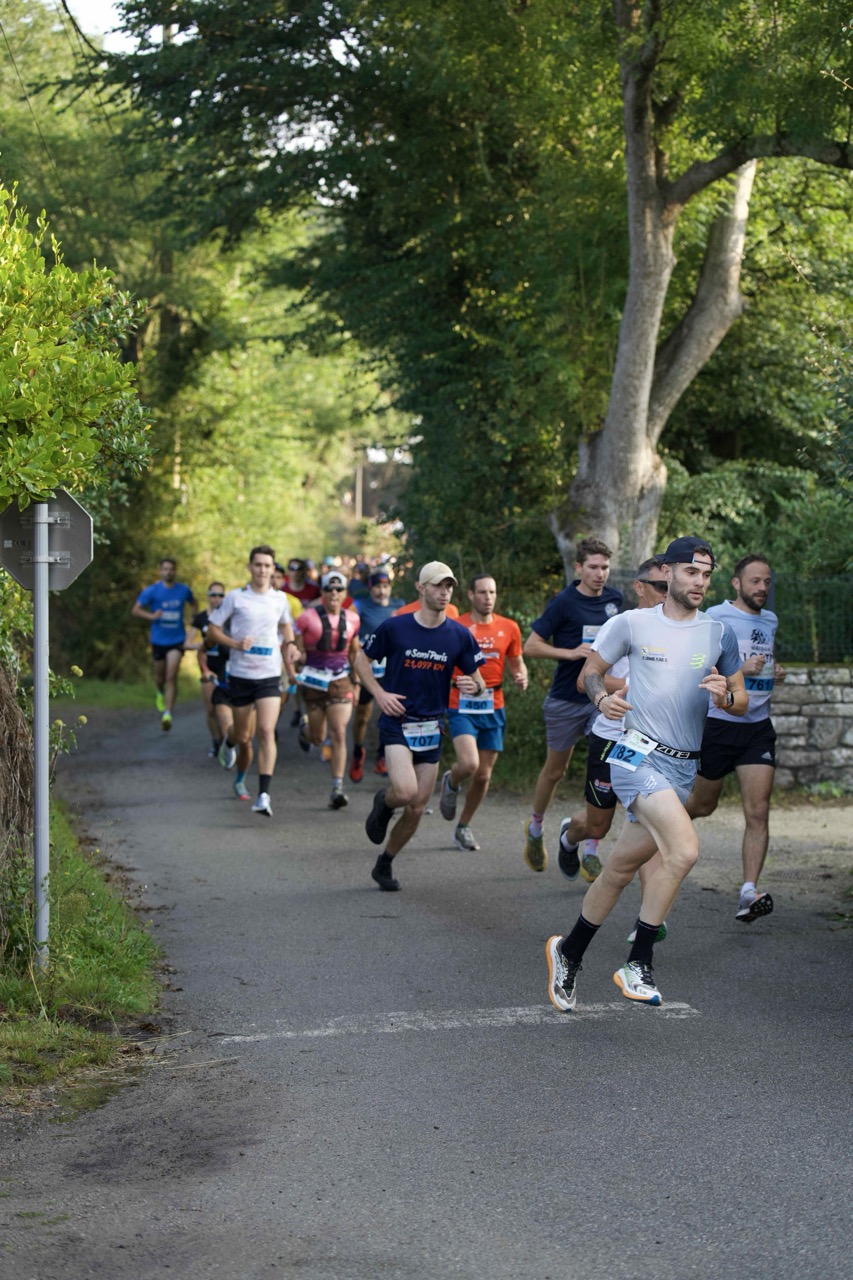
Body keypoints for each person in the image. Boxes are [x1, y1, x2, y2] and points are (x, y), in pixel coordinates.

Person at [544, 536, 747, 1012]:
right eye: (692, 571)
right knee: (685, 850)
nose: (700, 581)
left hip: (683, 767)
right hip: (635, 755)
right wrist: (602, 700)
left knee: (618, 869)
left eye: (706, 574)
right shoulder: (632, 623)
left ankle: (568, 952)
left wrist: (725, 696)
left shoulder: (719, 633)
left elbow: (741, 700)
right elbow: (589, 672)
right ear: (668, 572)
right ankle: (638, 962)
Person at [353, 561, 486, 892]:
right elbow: (360, 660)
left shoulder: (459, 634)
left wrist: (473, 686)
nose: (444, 592)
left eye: (449, 586)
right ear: (421, 588)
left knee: (415, 808)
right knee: (405, 792)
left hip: (431, 726)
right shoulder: (395, 627)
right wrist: (379, 694)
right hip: (398, 721)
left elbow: (479, 681)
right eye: (437, 585)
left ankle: (385, 862)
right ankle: (384, 803)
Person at [555, 557, 667, 883]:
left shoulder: (678, 632)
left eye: (671, 586)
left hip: (648, 741)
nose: (667, 592)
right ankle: (569, 836)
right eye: (660, 586)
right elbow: (584, 680)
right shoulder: (621, 625)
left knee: (651, 821)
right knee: (598, 826)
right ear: (639, 587)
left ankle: (650, 908)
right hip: (612, 737)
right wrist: (632, 686)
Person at [687, 555, 784, 923]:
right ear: (736, 583)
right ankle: (652, 829)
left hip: (757, 727)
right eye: (755, 581)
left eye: (767, 582)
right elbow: (699, 667)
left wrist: (775, 671)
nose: (762, 588)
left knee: (758, 811)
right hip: (720, 724)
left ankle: (748, 891)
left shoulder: (770, 620)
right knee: (702, 805)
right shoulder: (716, 617)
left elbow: (765, 661)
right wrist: (741, 669)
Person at [522, 538, 623, 872]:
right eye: (593, 567)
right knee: (556, 771)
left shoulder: (615, 601)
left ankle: (591, 847)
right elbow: (531, 646)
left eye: (605, 567)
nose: (600, 573)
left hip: (600, 699)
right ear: (578, 567)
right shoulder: (564, 602)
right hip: (566, 699)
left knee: (604, 768)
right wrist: (569, 653)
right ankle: (535, 827)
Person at [206, 545, 299, 816]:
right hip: (241, 675)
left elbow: (286, 625)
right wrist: (235, 643)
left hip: (269, 675)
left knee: (266, 731)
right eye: (258, 565)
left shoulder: (280, 599)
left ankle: (264, 795)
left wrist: (290, 645)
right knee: (243, 735)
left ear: (273, 569)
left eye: (267, 565)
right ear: (250, 567)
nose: (262, 570)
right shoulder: (236, 598)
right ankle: (230, 742)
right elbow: (212, 630)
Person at [438, 574, 528, 851]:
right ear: (470, 595)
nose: (488, 597)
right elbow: (440, 663)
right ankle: (452, 779)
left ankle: (463, 827)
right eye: (482, 592)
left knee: (483, 776)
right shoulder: (455, 626)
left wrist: (521, 675)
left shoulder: (509, 627)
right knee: (469, 764)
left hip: (493, 704)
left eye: (492, 592)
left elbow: (516, 661)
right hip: (461, 703)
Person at [294, 569, 362, 809]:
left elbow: (354, 653)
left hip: (341, 680)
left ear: (345, 593)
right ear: (322, 592)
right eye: (329, 589)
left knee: (339, 732)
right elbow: (297, 650)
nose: (334, 593)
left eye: (338, 589)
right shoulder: (306, 617)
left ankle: (337, 788)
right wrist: (296, 663)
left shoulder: (353, 619)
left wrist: (357, 682)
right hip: (313, 682)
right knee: (317, 737)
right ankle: (305, 730)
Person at [349, 568, 404, 782]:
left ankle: (382, 756)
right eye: (377, 587)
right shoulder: (360, 605)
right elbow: (348, 631)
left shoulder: (399, 606)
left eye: (385, 586)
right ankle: (357, 752)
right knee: (363, 715)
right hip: (368, 671)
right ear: (370, 588)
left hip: (391, 671)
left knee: (389, 713)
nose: (381, 591)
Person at [131, 557, 196, 731]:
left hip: (177, 640)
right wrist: (152, 616)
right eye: (165, 569)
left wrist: (192, 618)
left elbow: (194, 604)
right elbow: (135, 610)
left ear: (175, 571)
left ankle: (167, 714)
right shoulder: (152, 591)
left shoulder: (183, 590)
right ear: (160, 571)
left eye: (171, 569)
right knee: (160, 678)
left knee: (170, 676)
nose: (168, 572)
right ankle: (159, 691)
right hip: (159, 640)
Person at [191, 582, 234, 758]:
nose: (217, 598)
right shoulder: (201, 618)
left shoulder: (231, 619)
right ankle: (217, 741)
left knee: (228, 708)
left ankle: (227, 742)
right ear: (208, 596)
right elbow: (189, 643)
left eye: (220, 595)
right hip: (209, 667)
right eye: (213, 595)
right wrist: (203, 645)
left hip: (227, 668)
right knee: (210, 709)